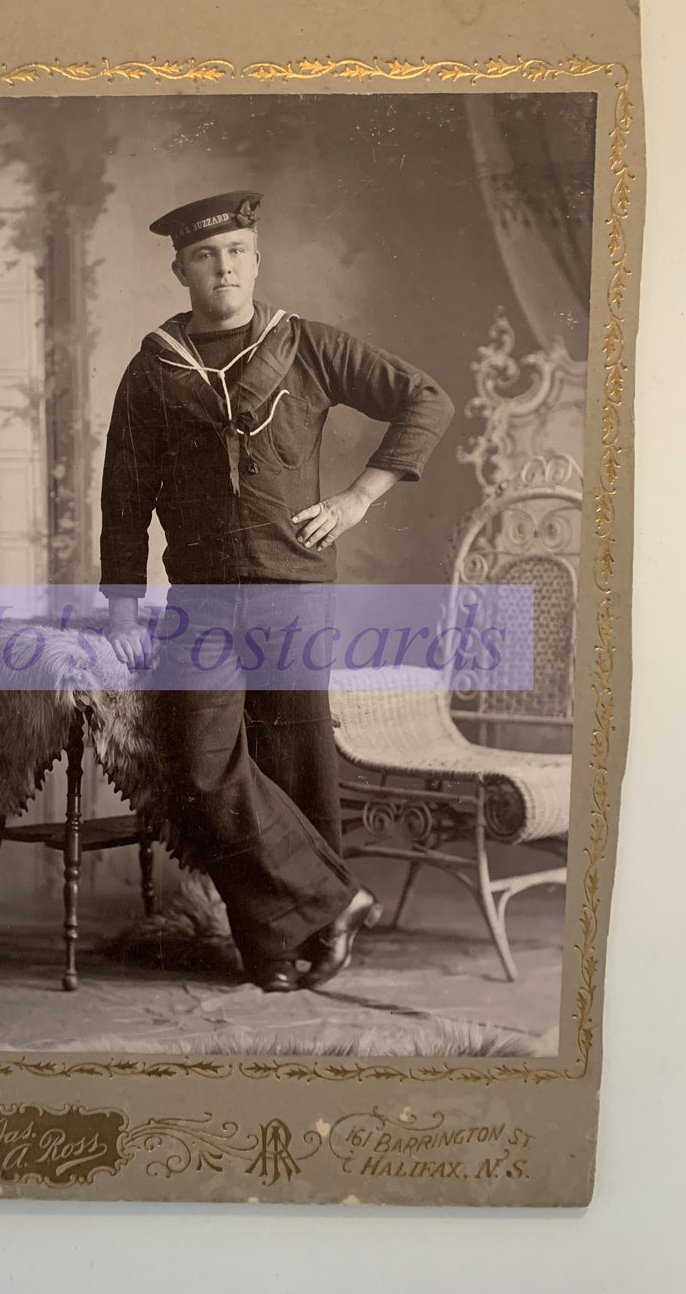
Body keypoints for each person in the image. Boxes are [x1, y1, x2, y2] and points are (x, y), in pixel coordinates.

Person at [99, 191, 454, 992]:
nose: (222, 267)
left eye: (236, 252)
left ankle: (279, 953)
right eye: (204, 256)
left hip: (295, 589)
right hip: (202, 600)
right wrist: (122, 604)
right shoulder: (153, 368)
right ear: (180, 267)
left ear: (255, 260)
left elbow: (425, 399)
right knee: (201, 765)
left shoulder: (306, 345)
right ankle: (337, 900)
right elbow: (122, 496)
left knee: (295, 762)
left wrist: (358, 498)